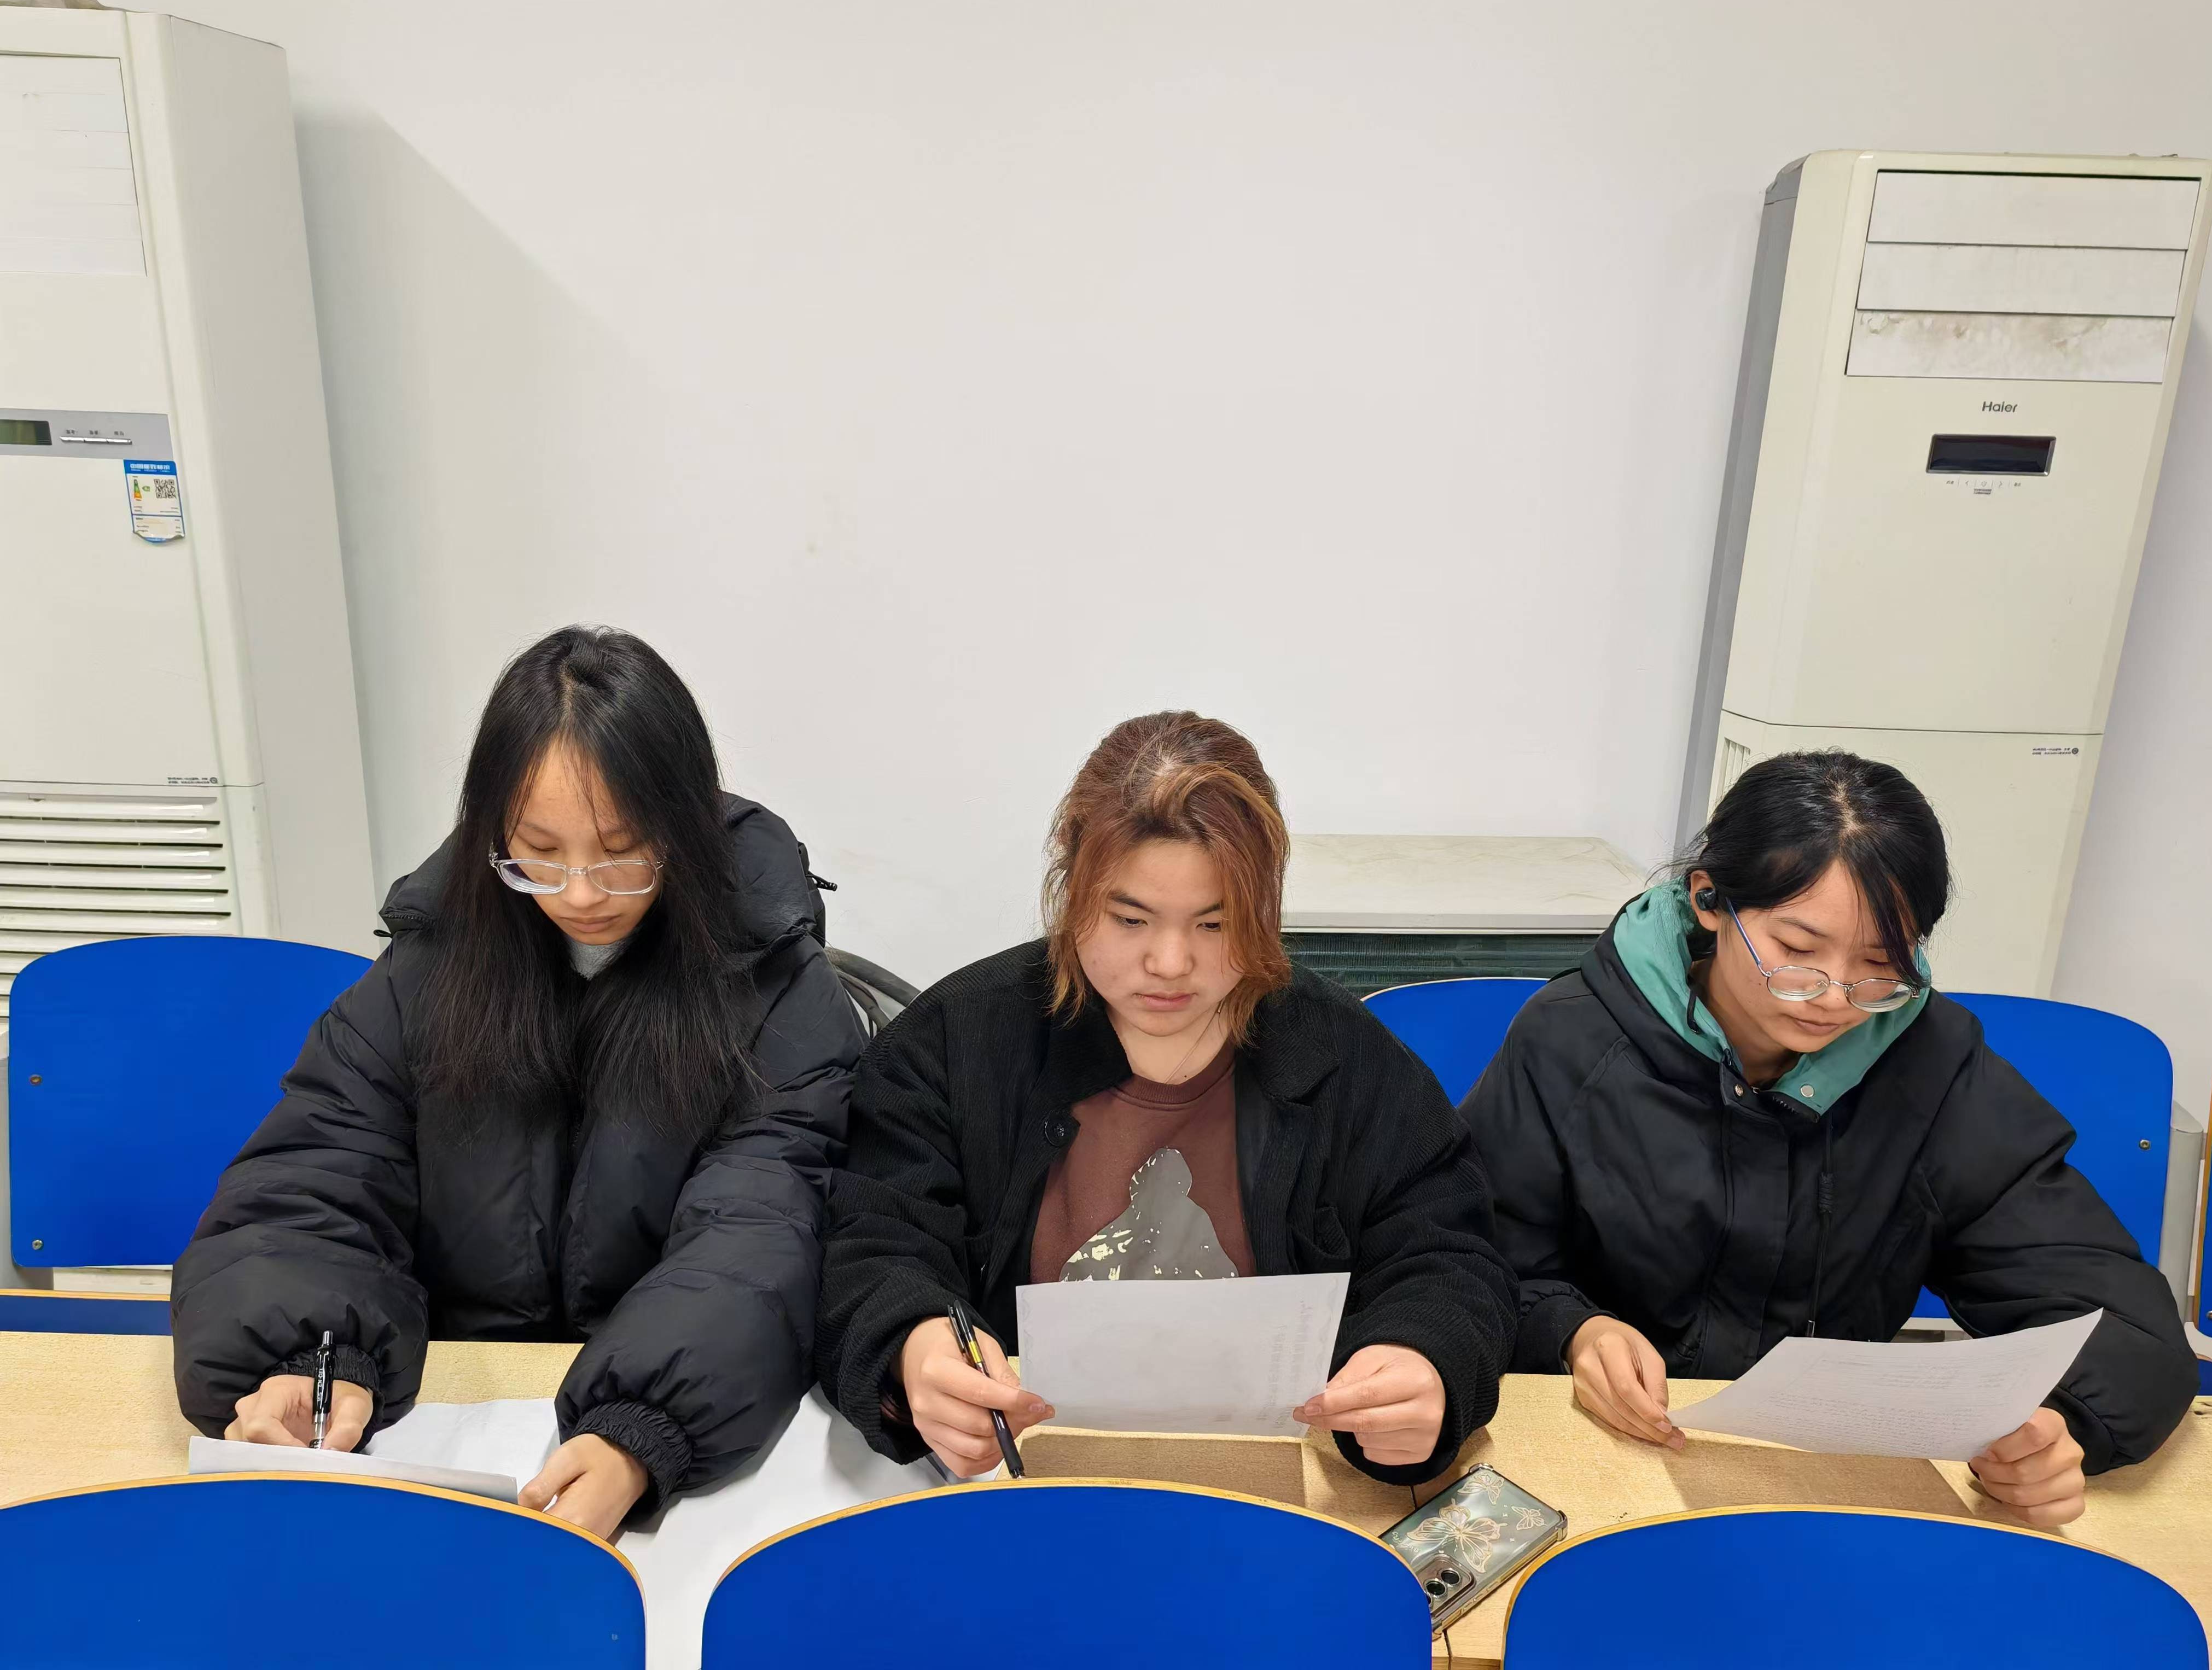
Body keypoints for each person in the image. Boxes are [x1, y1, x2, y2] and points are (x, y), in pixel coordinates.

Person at [171, 626, 861, 1538]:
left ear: (686, 828)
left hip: (669, 1446)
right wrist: (313, 1359)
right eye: (538, 850)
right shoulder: (427, 969)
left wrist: (644, 1425)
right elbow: (319, 1173)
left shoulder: (777, 989)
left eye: (621, 851)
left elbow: (762, 1230)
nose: (579, 893)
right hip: (448, 1417)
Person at [1463, 750, 2195, 1526]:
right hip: (1589, 1461)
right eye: (1798, 952)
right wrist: (1572, 1330)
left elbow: (2115, 1317)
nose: (1835, 998)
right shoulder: (1572, 1041)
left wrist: (2058, 1426)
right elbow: (1464, 1257)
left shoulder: (1932, 1068)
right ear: (1710, 900)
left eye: (1880, 964)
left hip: (1823, 1480)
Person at [814, 711, 1517, 1485]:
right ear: (1071, 888)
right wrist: (914, 1348)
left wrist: (1422, 1356)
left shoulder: (1343, 1056)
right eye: (1130, 919)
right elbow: (875, 1244)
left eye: (1215, 924)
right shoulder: (956, 1042)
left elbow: (1451, 1254)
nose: (1171, 962)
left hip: (1277, 1485)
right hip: (1024, 1485)